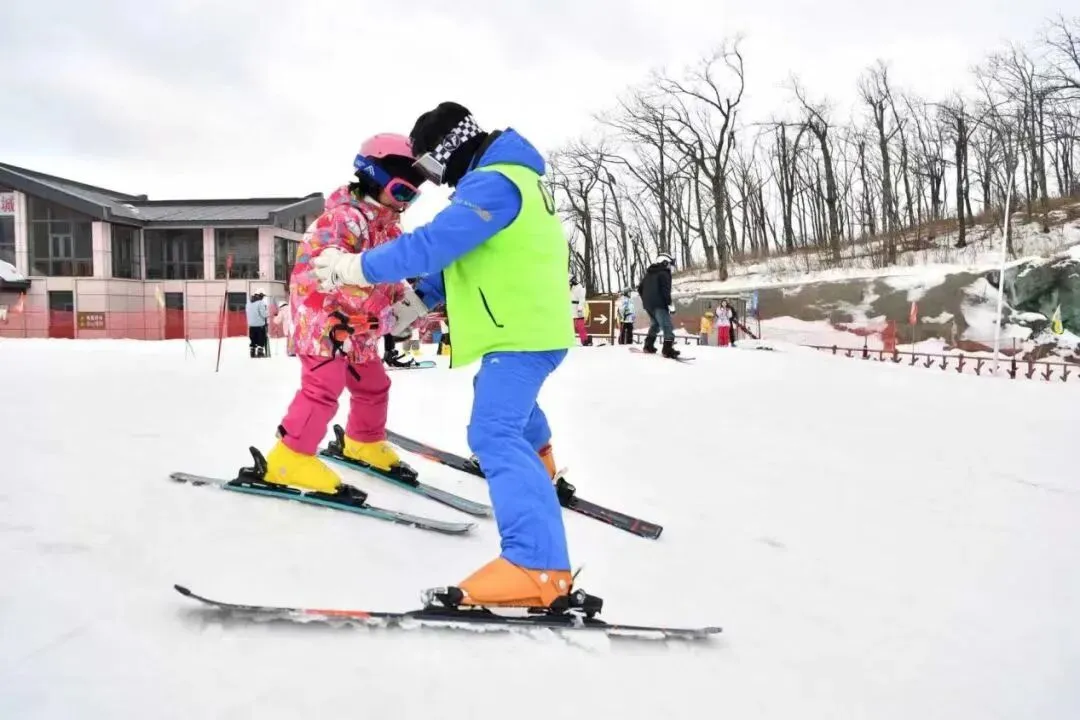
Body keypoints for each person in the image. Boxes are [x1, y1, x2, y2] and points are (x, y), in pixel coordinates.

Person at [312, 102, 576, 609]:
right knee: (507, 409)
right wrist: (416, 302)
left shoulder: (495, 183)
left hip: (522, 335)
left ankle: (537, 567)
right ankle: (539, 470)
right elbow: (463, 254)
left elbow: (432, 245)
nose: (432, 180)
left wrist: (353, 267)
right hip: (529, 329)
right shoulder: (509, 179)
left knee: (493, 432)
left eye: (430, 167)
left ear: (447, 150)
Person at [261, 133, 428, 494]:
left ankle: (363, 441)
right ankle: (289, 457)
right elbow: (330, 272)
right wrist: (380, 315)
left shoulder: (389, 229)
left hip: (360, 329)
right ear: (374, 176)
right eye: (402, 191)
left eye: (413, 196)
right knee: (323, 387)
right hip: (325, 323)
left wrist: (407, 302)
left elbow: (390, 277)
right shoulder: (341, 219)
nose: (405, 203)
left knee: (374, 385)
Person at [637, 252, 680, 358]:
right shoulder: (664, 273)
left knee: (655, 324)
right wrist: (670, 304)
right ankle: (667, 349)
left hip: (648, 305)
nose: (670, 267)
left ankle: (648, 346)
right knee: (667, 325)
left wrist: (646, 299)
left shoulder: (649, 274)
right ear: (664, 262)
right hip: (660, 304)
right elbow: (666, 291)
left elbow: (640, 288)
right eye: (670, 264)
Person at [246, 291, 269, 358]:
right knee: (261, 338)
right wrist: (267, 312)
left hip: (251, 325)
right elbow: (264, 314)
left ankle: (252, 352)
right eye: (262, 296)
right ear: (260, 296)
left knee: (253, 339)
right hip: (260, 324)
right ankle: (260, 352)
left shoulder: (249, 302)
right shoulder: (260, 302)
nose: (262, 298)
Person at [570, 276, 590, 345]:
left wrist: (580, 309)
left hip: (579, 309)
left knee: (580, 326)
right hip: (570, 309)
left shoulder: (580, 287)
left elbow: (582, 299)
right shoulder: (569, 288)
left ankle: (585, 341)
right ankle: (570, 341)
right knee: (570, 327)